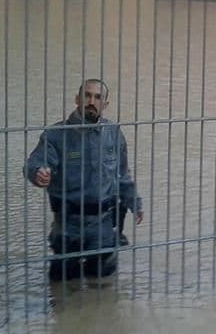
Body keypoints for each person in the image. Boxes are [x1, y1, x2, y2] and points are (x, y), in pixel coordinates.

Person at [24, 79, 143, 281]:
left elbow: (123, 174)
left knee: (103, 283)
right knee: (62, 284)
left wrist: (134, 202)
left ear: (105, 104)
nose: (91, 101)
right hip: (68, 224)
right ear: (77, 99)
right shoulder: (56, 135)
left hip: (103, 223)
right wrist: (39, 173)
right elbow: (35, 163)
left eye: (98, 97)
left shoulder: (114, 133)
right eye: (87, 95)